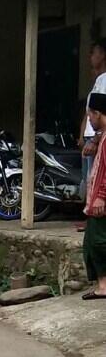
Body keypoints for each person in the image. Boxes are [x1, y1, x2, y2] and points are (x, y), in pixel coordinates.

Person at [78, 39, 106, 231]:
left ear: (103, 55)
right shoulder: (99, 80)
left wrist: (96, 139)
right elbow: (89, 113)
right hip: (92, 136)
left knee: (98, 178)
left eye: (93, 52)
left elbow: (102, 113)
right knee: (90, 178)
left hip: (97, 136)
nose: (90, 57)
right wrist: (83, 136)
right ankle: (90, 217)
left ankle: (94, 221)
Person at [81, 93, 106, 300]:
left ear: (98, 113)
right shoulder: (103, 137)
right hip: (97, 200)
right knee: (93, 242)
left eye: (90, 114)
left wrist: (102, 196)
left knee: (97, 243)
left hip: (101, 202)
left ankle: (104, 286)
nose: (89, 119)